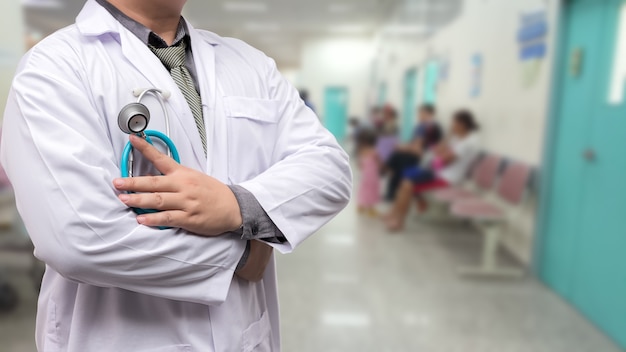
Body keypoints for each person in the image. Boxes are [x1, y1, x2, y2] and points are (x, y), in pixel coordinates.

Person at [0, 0, 352, 351]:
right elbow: (79, 237)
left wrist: (237, 207)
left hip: (243, 335)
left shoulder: (251, 65)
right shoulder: (54, 67)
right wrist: (243, 256)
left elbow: (330, 169)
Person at [385, 110, 480, 231]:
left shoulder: (468, 143)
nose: (451, 125)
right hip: (439, 172)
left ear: (462, 124)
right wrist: (448, 138)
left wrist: (440, 154)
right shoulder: (458, 139)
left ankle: (399, 221)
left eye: (454, 123)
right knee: (403, 177)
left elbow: (442, 161)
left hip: (447, 178)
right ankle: (394, 214)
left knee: (406, 184)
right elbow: (438, 151)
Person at [384, 104, 443, 200]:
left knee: (396, 159)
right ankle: (391, 188)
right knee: (396, 159)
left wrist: (402, 148)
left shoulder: (426, 127)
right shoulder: (433, 126)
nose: (419, 115)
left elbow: (417, 148)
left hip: (420, 157)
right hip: (423, 156)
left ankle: (389, 182)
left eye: (421, 113)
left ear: (427, 114)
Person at [356, 129, 381, 217]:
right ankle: (371, 208)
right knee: (372, 190)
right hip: (373, 175)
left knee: (363, 189)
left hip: (365, 175)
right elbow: (379, 163)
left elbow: (359, 165)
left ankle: (361, 205)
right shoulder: (374, 151)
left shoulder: (361, 151)